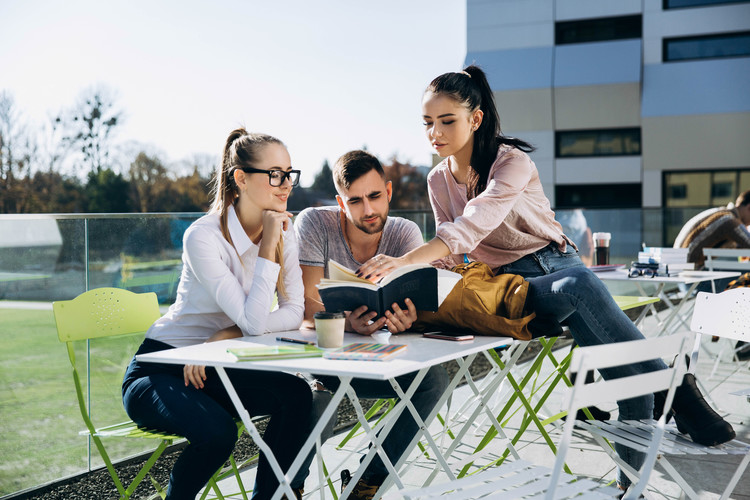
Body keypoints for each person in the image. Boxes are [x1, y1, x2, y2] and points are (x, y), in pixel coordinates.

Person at [356, 65, 736, 491]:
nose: (435, 133)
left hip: (559, 266)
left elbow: (473, 224)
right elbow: (454, 253)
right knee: (586, 292)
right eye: (428, 123)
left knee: (625, 374)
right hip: (517, 289)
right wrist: (408, 282)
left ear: (475, 119)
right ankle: (675, 387)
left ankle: (630, 486)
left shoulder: (511, 162)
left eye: (447, 121)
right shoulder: (437, 180)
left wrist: (404, 259)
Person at [122, 129, 312, 500]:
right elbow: (256, 322)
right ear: (241, 178)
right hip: (161, 368)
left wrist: (224, 336)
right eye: (274, 174)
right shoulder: (203, 236)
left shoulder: (285, 232)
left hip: (215, 366)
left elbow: (294, 312)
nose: (285, 184)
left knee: (297, 395)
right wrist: (268, 244)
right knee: (217, 432)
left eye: (289, 173)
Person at [294, 150, 450, 500]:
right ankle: (289, 487)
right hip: (328, 361)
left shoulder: (404, 234)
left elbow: (422, 308)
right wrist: (348, 323)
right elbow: (307, 307)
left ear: (389, 191)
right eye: (356, 201)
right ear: (340, 202)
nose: (368, 210)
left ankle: (366, 480)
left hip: (381, 359)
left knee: (435, 380)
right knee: (313, 396)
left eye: (375, 196)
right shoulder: (315, 224)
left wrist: (410, 320)